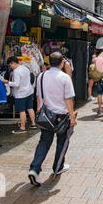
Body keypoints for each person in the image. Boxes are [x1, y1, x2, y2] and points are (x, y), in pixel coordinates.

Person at [28, 52, 77, 186]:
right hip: (62, 116)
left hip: (46, 116)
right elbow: (68, 99)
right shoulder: (65, 78)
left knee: (44, 142)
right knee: (61, 142)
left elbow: (39, 96)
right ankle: (58, 167)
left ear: (49, 62)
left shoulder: (41, 76)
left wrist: (39, 111)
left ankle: (34, 169)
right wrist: (72, 117)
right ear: (62, 63)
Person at [1, 56, 36, 134]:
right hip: (29, 91)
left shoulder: (16, 71)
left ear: (13, 63)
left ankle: (22, 128)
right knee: (30, 108)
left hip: (21, 94)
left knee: (22, 110)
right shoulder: (25, 68)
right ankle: (33, 124)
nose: (10, 67)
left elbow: (16, 84)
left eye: (10, 65)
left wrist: (7, 82)